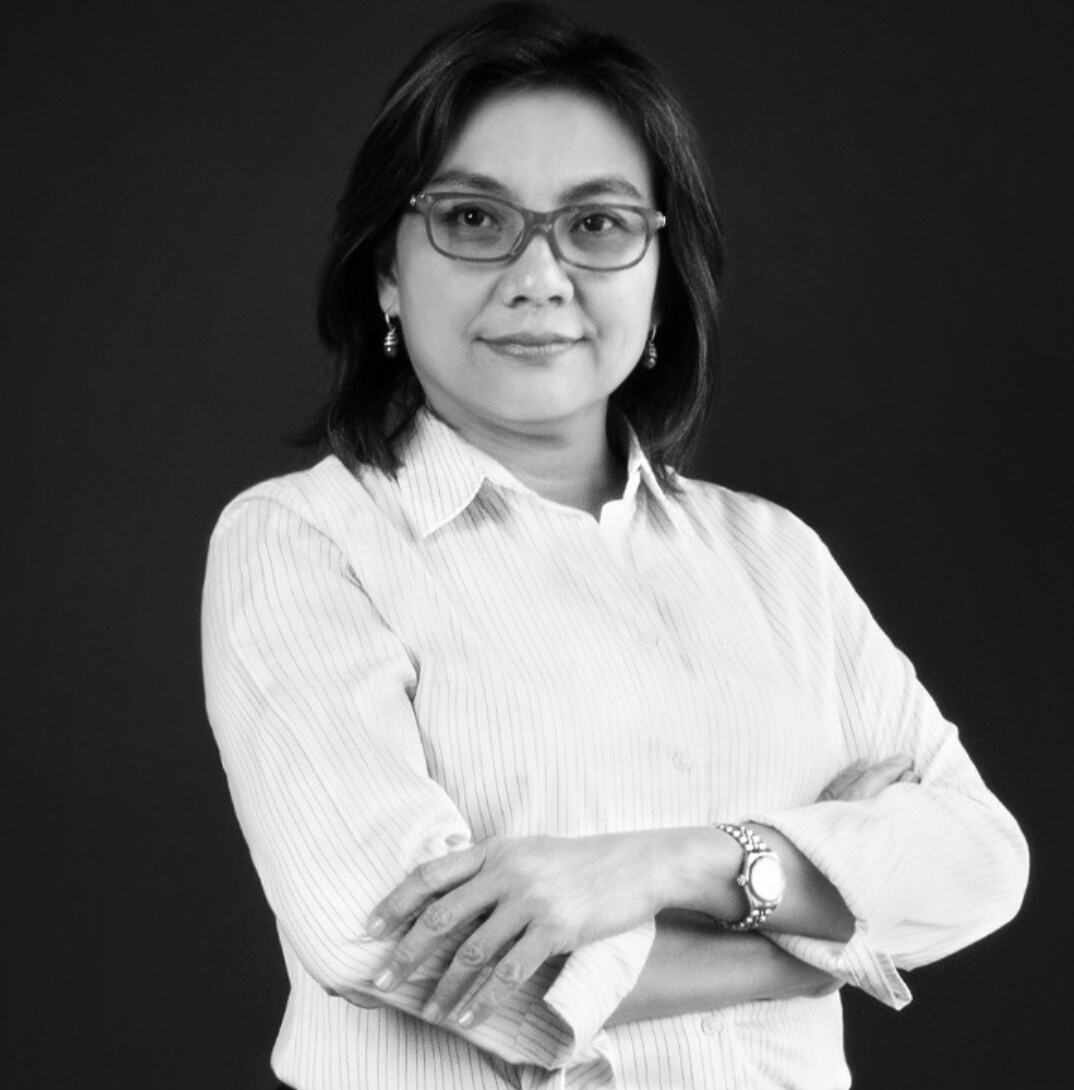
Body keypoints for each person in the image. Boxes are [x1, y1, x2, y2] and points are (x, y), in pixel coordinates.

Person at [201, 4, 1029, 1087]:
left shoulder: (773, 556)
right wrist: (828, 937)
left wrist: (667, 864)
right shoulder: (305, 540)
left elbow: (980, 859)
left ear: (660, 278)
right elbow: (384, 940)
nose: (540, 276)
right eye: (473, 218)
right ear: (386, 272)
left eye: (597, 225)